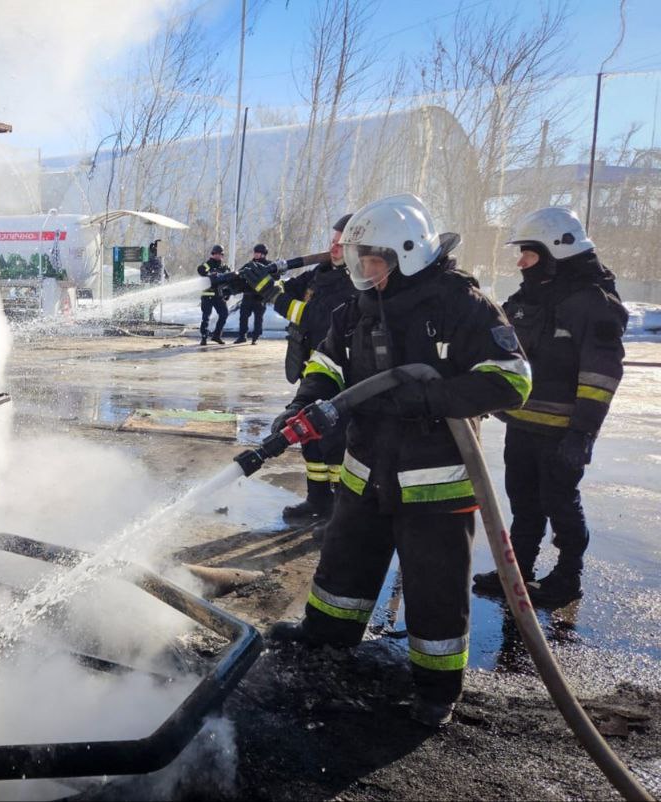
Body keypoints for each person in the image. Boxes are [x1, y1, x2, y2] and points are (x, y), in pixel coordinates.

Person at [258, 194, 532, 727]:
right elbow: (326, 362)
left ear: (406, 253)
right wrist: (303, 403)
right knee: (345, 562)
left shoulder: (462, 304)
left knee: (435, 587)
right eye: (359, 260)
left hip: (436, 482)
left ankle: (435, 688)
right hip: (365, 470)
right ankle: (328, 638)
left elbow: (513, 379)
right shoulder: (357, 306)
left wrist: (424, 398)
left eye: (372, 260)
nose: (363, 270)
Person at [472, 207, 626, 608]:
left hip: (562, 431)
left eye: (529, 253)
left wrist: (582, 433)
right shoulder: (527, 298)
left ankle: (567, 577)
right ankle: (517, 571)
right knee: (523, 501)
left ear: (558, 252)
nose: (520, 262)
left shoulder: (594, 304)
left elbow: (602, 374)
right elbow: (498, 346)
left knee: (560, 502)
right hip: (521, 424)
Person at [245, 214, 358, 524]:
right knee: (310, 439)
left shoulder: (354, 283)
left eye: (341, 243)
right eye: (332, 241)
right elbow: (288, 291)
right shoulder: (320, 273)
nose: (334, 248)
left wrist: (273, 294)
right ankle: (318, 500)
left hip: (342, 374)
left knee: (334, 444)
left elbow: (312, 317)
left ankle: (339, 509)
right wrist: (259, 279)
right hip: (315, 370)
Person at [234, 244, 271, 343]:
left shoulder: (269, 265)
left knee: (258, 318)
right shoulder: (249, 265)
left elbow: (275, 278)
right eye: (255, 252)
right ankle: (242, 336)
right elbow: (239, 274)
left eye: (258, 252)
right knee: (243, 317)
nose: (255, 254)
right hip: (247, 296)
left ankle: (255, 337)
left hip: (260, 297)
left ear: (263, 254)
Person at [197, 244, 231, 345]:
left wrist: (227, 293)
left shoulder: (224, 267)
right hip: (207, 295)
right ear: (212, 254)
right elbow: (201, 270)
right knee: (206, 316)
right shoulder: (208, 264)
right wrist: (210, 274)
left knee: (224, 314)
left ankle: (217, 336)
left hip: (219, 296)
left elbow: (229, 280)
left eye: (219, 254)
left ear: (222, 255)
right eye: (215, 254)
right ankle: (204, 337)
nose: (217, 256)